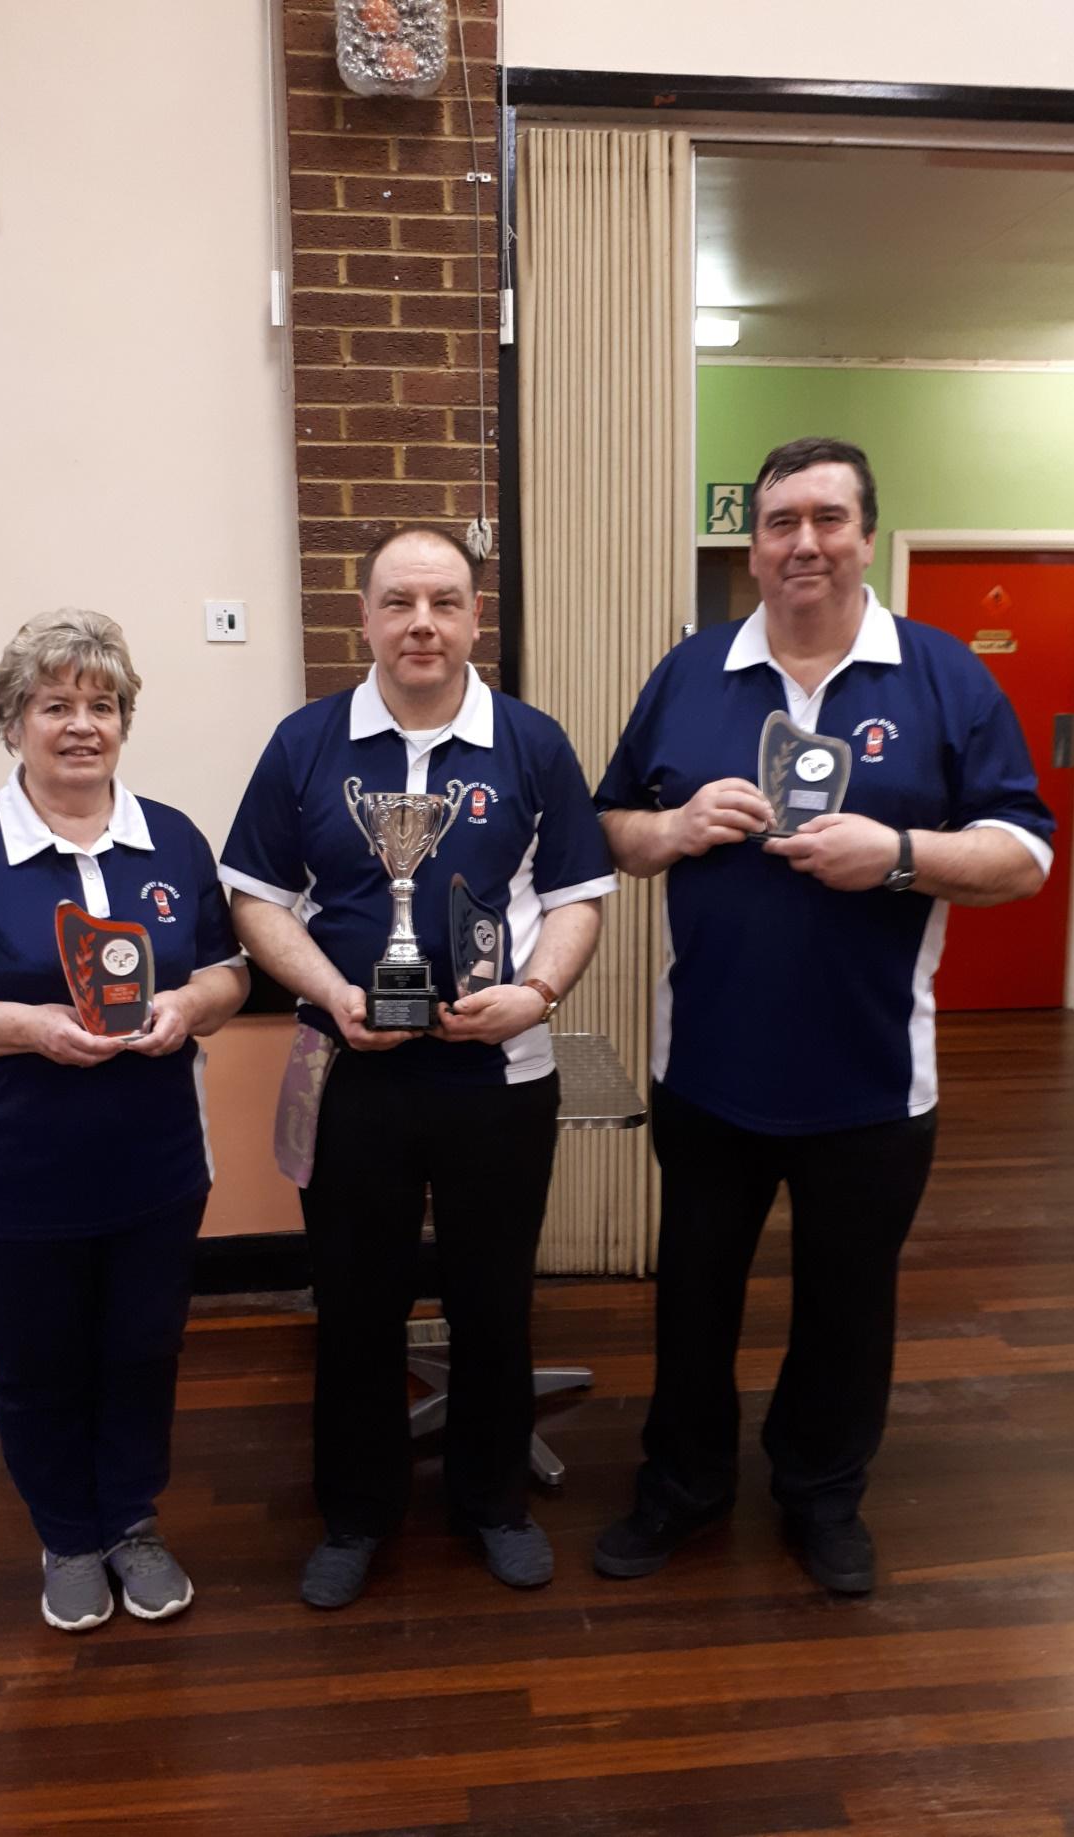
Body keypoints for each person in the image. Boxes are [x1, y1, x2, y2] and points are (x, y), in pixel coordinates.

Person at [592, 438, 1053, 1595]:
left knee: (848, 1310)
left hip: (872, 1081)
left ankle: (820, 1494)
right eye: (781, 521)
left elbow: (1024, 855)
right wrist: (676, 825)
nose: (804, 542)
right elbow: (609, 830)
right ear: (752, 547)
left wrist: (896, 854)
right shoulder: (691, 673)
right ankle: (683, 1488)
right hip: (707, 1069)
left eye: (828, 519)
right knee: (694, 1300)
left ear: (864, 536)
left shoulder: (945, 678)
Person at [221, 525, 616, 1609]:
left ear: (476, 616)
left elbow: (581, 898)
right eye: (399, 602)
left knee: (495, 1296)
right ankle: (356, 1513)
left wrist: (533, 994)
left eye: (444, 601)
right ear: (365, 617)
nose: (422, 623)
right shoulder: (306, 743)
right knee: (355, 1302)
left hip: (500, 1075)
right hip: (352, 1070)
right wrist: (336, 994)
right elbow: (254, 893)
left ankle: (493, 1502)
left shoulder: (531, 743)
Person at [0, 610, 249, 1632]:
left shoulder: (172, 837)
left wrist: (191, 1007)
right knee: (39, 1362)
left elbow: (228, 969)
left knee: (142, 1349)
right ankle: (68, 1536)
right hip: (17, 1173)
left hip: (159, 1162)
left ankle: (131, 1518)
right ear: (15, 724)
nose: (81, 725)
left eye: (101, 705)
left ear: (124, 720)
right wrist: (25, 1026)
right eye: (56, 705)